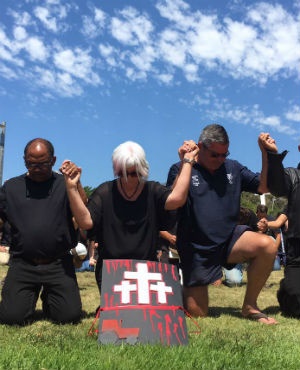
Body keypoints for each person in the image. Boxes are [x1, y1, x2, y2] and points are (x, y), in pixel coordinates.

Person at [166, 124, 278, 324]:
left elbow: (263, 186)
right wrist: (186, 163)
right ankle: (181, 289)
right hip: (197, 249)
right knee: (197, 313)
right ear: (201, 146)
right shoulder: (181, 167)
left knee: (268, 245)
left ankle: (250, 306)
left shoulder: (233, 167)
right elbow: (173, 201)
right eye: (215, 155)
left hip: (229, 240)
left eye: (224, 154)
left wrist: (265, 153)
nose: (220, 160)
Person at [60, 140, 199, 293]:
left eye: (134, 173)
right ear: (116, 170)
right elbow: (85, 222)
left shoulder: (152, 190)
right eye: (123, 173)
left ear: (143, 169)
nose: (129, 179)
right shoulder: (105, 192)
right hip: (111, 271)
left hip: (147, 269)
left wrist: (186, 162)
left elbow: (177, 199)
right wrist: (71, 187)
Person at [0, 138, 82, 325]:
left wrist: (76, 183)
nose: (36, 167)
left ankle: (50, 298)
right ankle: (23, 297)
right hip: (23, 263)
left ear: (53, 161)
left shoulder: (65, 184)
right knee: (11, 318)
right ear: (24, 160)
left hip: (58, 263)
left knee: (68, 317)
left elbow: (83, 210)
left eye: (42, 163)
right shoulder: (11, 187)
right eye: (31, 163)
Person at [259, 133, 300, 317]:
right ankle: (288, 289)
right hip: (297, 252)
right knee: (295, 303)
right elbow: (276, 188)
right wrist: (272, 155)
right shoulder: (293, 175)